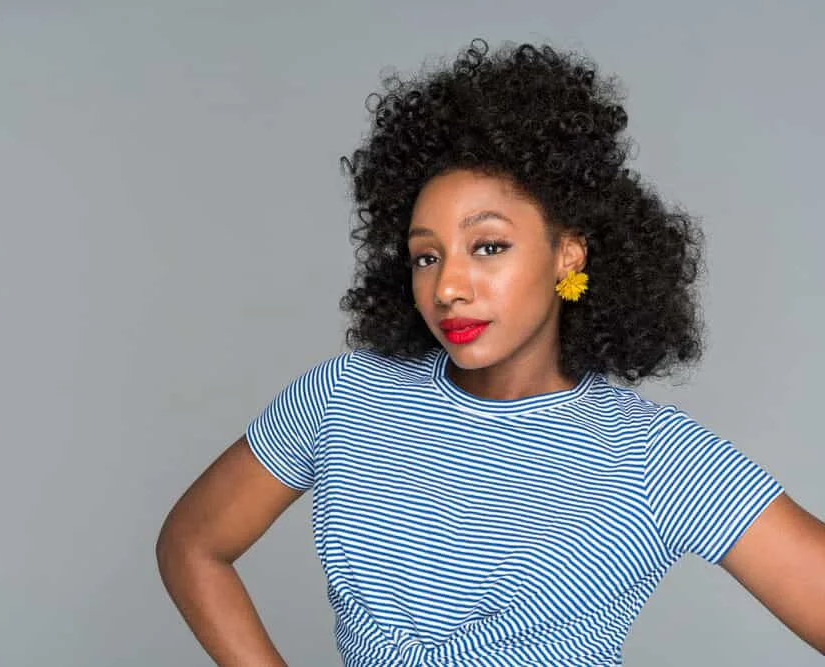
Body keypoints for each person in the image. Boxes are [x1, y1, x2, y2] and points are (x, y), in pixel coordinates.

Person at [157, 40, 825, 666]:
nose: (447, 285)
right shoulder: (346, 396)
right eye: (426, 255)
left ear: (568, 253)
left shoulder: (654, 458)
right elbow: (192, 545)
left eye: (488, 246)